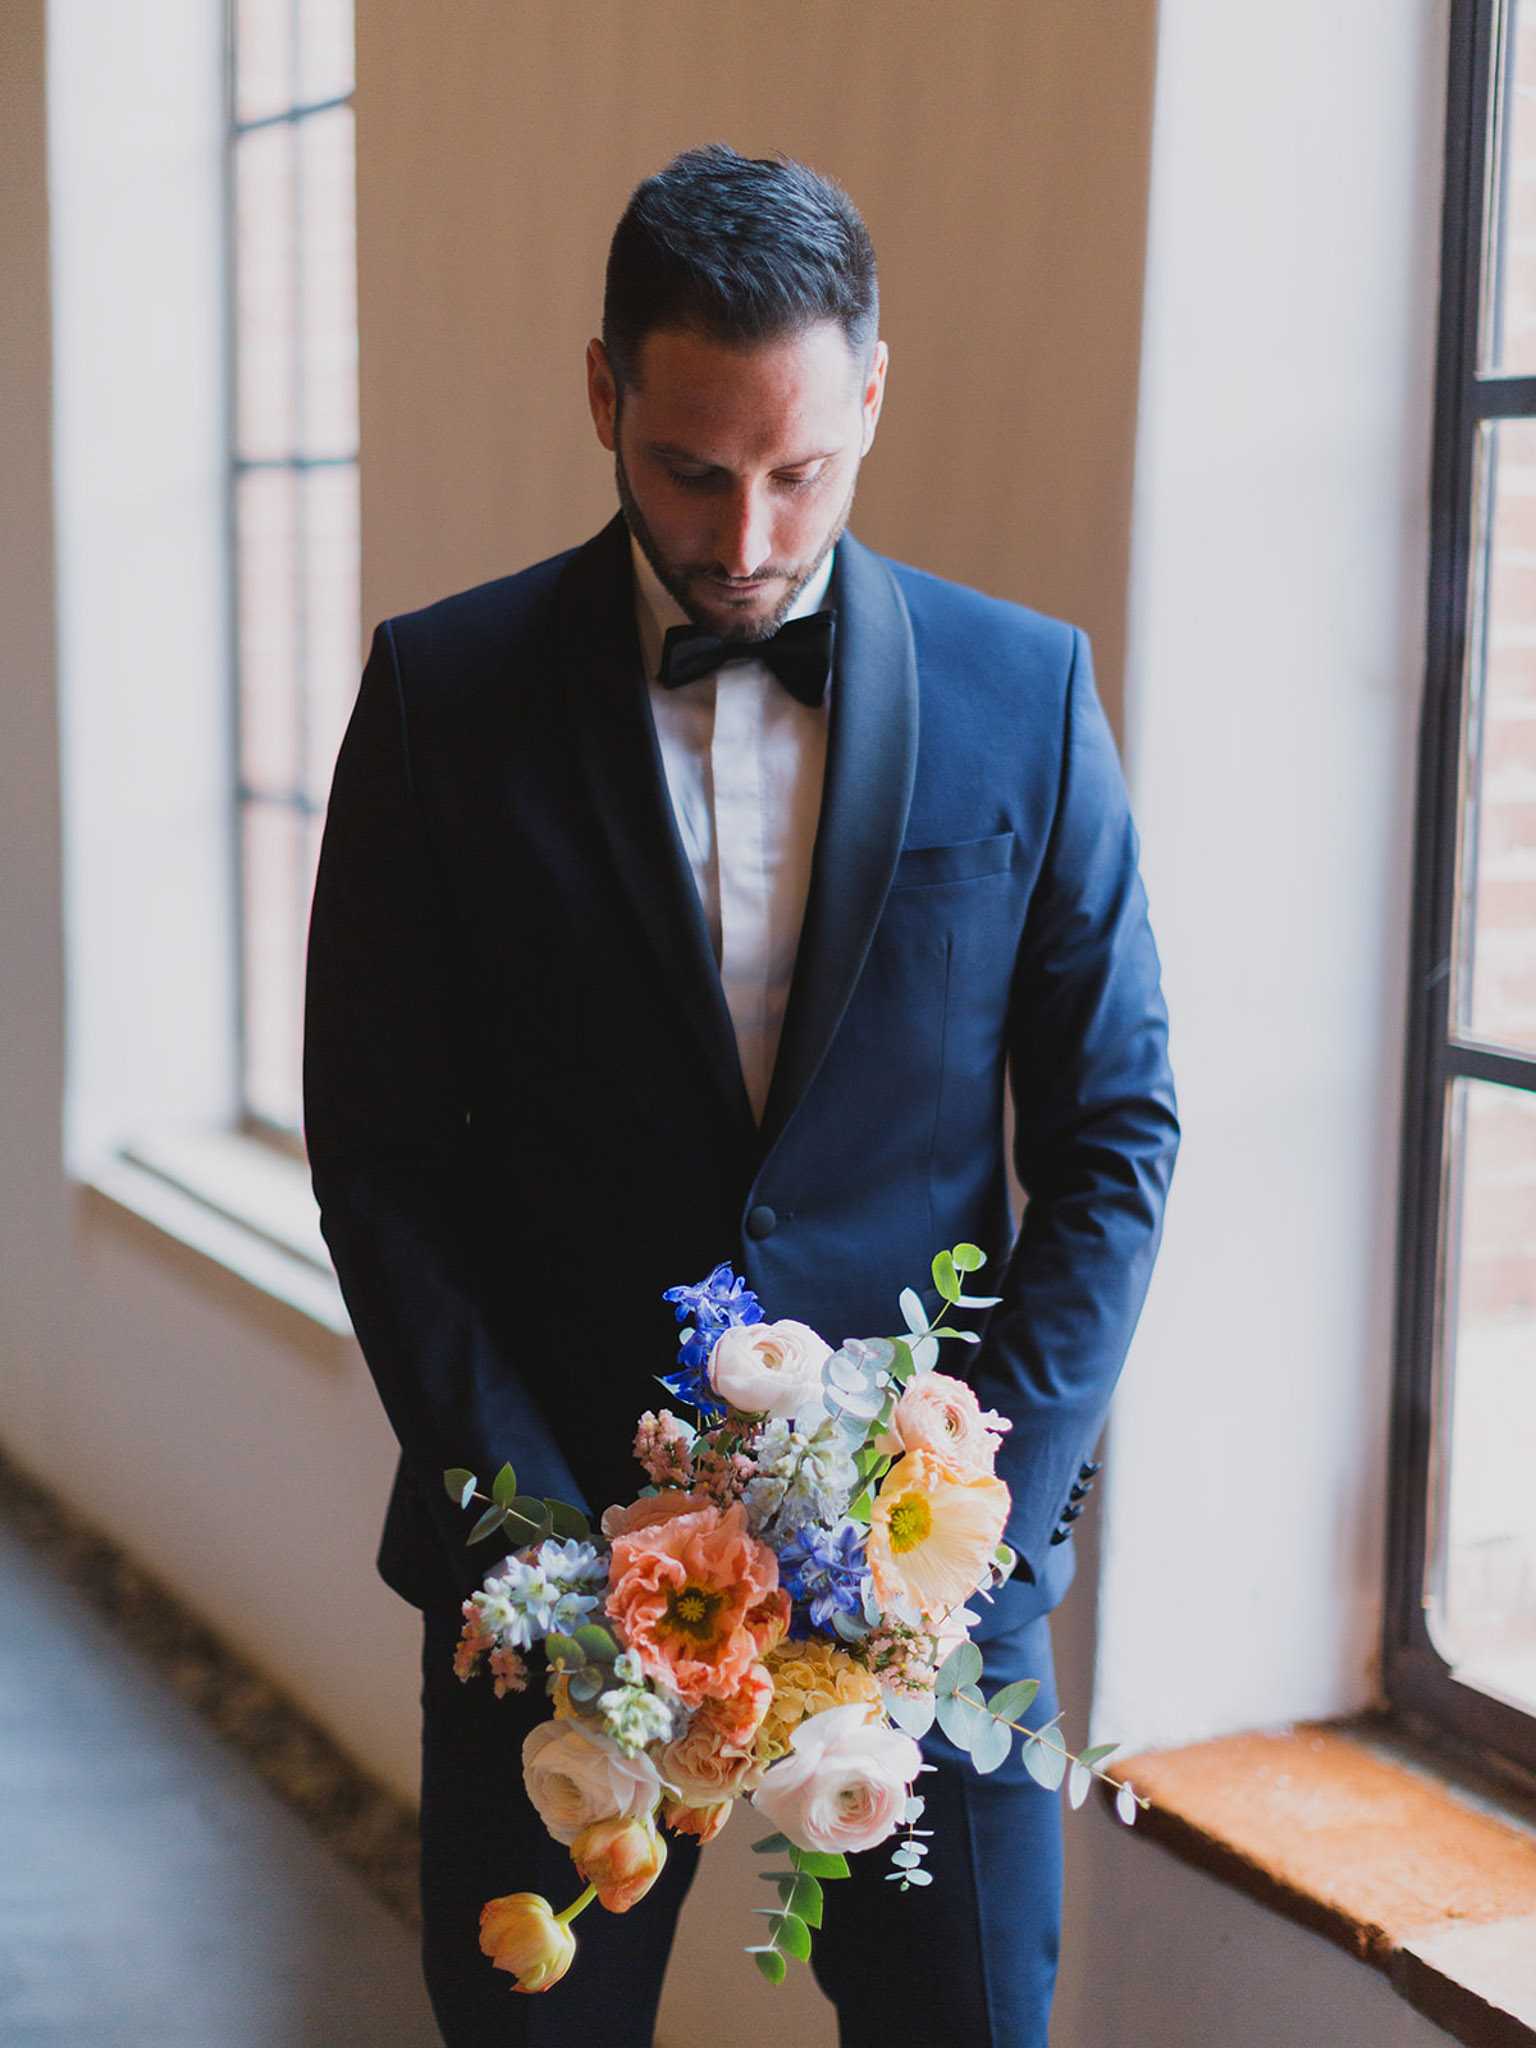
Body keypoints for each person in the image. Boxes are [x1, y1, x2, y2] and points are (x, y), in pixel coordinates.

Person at [303, 142, 1178, 2048]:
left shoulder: (1028, 691)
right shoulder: (441, 703)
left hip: (926, 1605)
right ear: (603, 391)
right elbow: (379, 1156)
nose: (753, 530)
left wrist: (978, 1518)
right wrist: (540, 1547)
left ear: (874, 390)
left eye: (804, 467)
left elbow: (1117, 1131)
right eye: (694, 468)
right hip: (550, 1599)